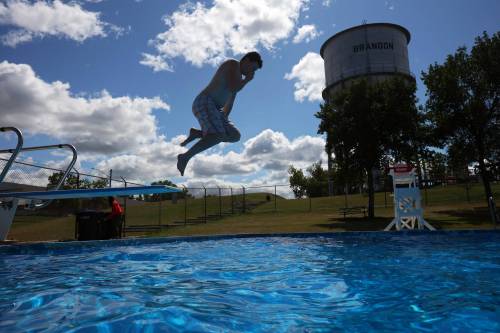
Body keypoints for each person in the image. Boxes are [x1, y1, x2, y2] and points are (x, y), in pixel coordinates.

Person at [177, 51, 263, 176]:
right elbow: (233, 88)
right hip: (204, 101)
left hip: (215, 108)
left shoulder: (238, 80)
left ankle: (197, 133)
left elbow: (230, 102)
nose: (253, 72)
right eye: (253, 68)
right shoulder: (233, 64)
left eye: (255, 70)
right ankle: (184, 157)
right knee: (218, 135)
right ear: (246, 60)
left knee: (234, 135)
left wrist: (224, 119)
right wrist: (247, 81)